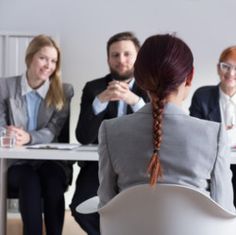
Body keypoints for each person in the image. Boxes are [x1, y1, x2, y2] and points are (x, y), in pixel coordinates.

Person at [97, 33, 235, 213]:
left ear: (139, 78)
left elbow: (107, 208)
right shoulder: (214, 135)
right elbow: (224, 211)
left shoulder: (110, 131)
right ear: (189, 77)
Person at [70, 31, 149, 235]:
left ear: (138, 57)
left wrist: (134, 101)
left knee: (139, 212)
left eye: (127, 54)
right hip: (99, 164)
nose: (121, 60)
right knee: (80, 208)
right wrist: (100, 101)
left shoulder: (149, 87)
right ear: (108, 59)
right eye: (115, 55)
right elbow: (83, 137)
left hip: (139, 166)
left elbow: (156, 131)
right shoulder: (93, 88)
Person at [0, 35, 74, 235]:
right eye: (43, 58)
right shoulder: (5, 86)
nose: (48, 65)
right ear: (30, 57)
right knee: (29, 181)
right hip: (18, 163)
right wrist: (8, 132)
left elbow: (52, 131)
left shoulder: (63, 91)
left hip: (51, 160)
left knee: (52, 183)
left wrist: (29, 137)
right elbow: (0, 125)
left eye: (53, 61)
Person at [189, 45, 236, 206]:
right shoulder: (203, 96)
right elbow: (195, 136)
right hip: (213, 166)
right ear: (218, 68)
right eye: (226, 67)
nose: (231, 73)